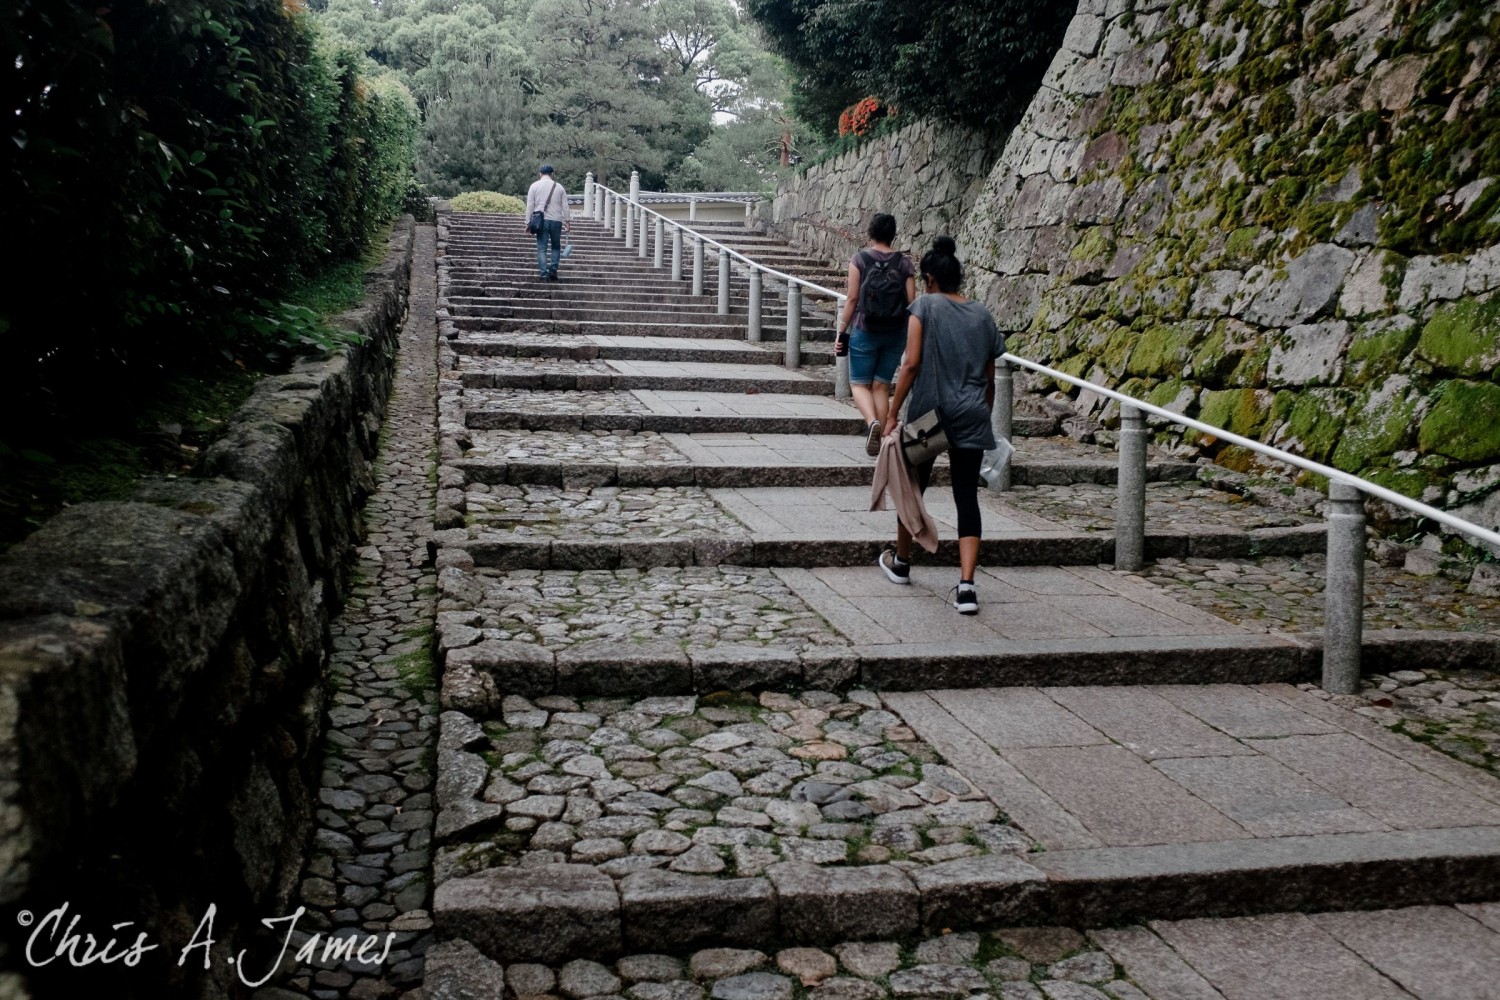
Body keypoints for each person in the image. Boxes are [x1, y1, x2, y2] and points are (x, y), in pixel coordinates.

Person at [879, 236, 1005, 615]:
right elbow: (990, 378)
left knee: (912, 488)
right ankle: (966, 587)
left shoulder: (924, 306)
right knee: (966, 496)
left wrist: (892, 413)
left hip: (928, 417)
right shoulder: (982, 315)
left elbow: (911, 363)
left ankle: (902, 562)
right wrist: (983, 415)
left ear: (929, 279)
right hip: (971, 415)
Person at [836, 213, 916, 456]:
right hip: (896, 331)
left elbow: (852, 299)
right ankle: (881, 444)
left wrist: (841, 331)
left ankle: (872, 423)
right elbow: (912, 302)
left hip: (865, 329)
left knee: (858, 384)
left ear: (870, 232)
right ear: (893, 235)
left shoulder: (859, 260)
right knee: (881, 386)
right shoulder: (904, 263)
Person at [526, 164, 571, 281]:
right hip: (557, 220)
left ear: (540, 174)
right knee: (556, 246)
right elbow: (565, 206)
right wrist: (567, 221)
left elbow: (530, 205)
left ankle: (544, 274)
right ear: (552, 174)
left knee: (542, 248)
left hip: (541, 221)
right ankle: (553, 269)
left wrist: (528, 222)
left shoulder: (534, 186)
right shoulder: (559, 187)